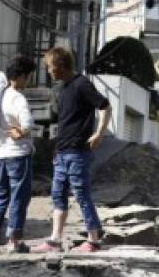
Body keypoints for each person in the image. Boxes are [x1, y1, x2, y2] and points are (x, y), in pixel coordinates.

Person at [32, 47, 112, 254]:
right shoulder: (62, 89)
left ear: (59, 65)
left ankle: (93, 240)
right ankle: (55, 240)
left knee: (81, 194)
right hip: (63, 151)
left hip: (78, 151)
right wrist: (56, 151)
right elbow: (64, 123)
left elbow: (104, 106)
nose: (49, 71)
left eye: (50, 67)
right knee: (57, 194)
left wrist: (99, 134)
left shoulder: (82, 84)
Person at [0, 55, 36, 254]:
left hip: (2, 155)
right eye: (28, 77)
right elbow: (27, 124)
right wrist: (20, 132)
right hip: (19, 155)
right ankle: (14, 241)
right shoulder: (17, 97)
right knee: (19, 197)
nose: (28, 81)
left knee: (1, 196)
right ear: (19, 76)